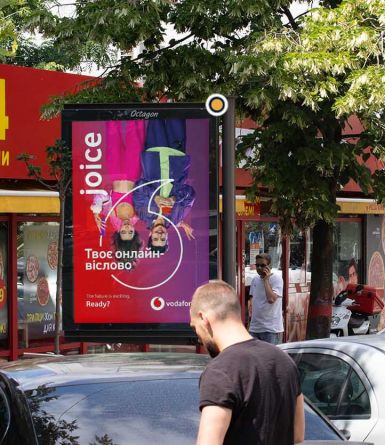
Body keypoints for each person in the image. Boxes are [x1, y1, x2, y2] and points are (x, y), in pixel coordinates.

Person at [190, 280, 304, 445]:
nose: (199, 338)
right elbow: (298, 435)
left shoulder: (220, 370)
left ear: (203, 318)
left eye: (195, 328)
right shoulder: (285, 361)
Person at [132, 119, 196, 253]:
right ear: (167, 238)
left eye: (156, 238)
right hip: (177, 157)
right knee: (176, 115)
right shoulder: (177, 217)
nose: (160, 235)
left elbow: (139, 187)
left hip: (154, 154)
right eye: (163, 239)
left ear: (150, 235)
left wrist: (155, 197)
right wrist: (174, 199)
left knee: (156, 114)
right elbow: (190, 194)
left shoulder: (143, 214)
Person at [91, 120, 145, 266]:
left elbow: (100, 196)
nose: (127, 228)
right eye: (130, 232)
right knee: (134, 132)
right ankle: (135, 109)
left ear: (118, 233)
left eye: (123, 232)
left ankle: (111, 108)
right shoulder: (138, 214)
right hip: (133, 171)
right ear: (135, 233)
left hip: (115, 171)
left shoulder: (111, 215)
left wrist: (96, 211)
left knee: (112, 133)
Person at [249, 253, 284, 344]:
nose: (259, 268)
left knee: (271, 354)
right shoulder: (255, 280)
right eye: (257, 265)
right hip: (255, 328)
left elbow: (271, 299)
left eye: (263, 265)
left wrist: (266, 280)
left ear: (269, 266)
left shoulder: (276, 279)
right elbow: (252, 300)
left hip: (271, 329)